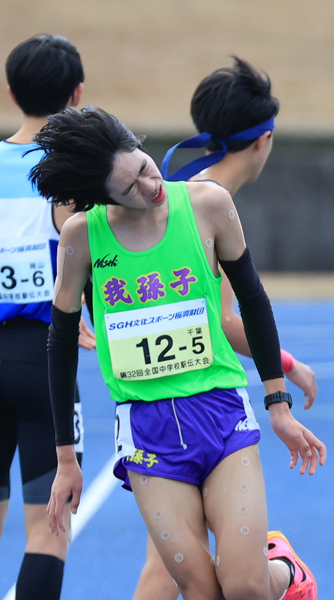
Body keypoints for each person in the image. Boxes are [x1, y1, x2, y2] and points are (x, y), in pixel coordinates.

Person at [33, 106, 325, 600]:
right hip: (148, 432)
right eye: (130, 188)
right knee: (202, 592)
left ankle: (287, 574)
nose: (150, 186)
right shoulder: (82, 236)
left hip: (220, 411)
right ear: (103, 197)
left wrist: (279, 404)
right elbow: (60, 342)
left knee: (246, 589)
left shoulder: (208, 204)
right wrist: (66, 459)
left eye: (145, 167)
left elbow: (252, 302)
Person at [132, 57, 318, 600]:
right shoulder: (211, 205)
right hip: (185, 401)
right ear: (264, 140)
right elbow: (224, 320)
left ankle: (278, 573)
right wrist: (284, 364)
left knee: (170, 572)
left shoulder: (176, 188)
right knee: (172, 573)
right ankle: (287, 572)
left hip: (173, 402)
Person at [0, 34, 93, 600]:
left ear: (10, 92)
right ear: (77, 95)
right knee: (49, 532)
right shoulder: (71, 174)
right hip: (43, 362)